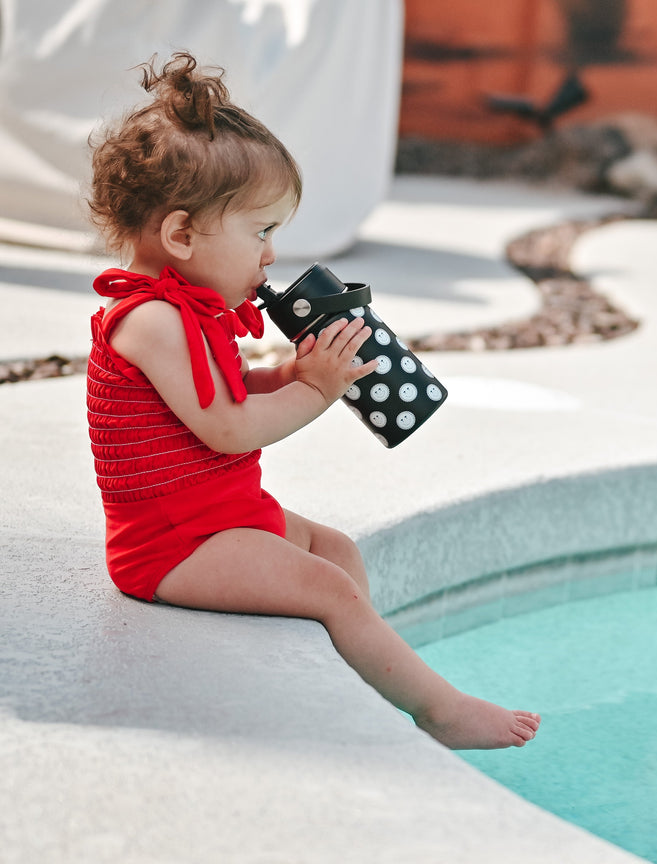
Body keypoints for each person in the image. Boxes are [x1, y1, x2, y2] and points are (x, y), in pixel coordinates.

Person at [86, 52, 540, 751]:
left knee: (336, 551)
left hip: (220, 514)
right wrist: (317, 390)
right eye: (260, 231)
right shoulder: (152, 318)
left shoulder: (188, 310)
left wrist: (287, 374)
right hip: (172, 544)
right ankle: (437, 709)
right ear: (180, 235)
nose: (271, 255)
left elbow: (217, 399)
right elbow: (227, 429)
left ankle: (362, 680)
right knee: (326, 591)